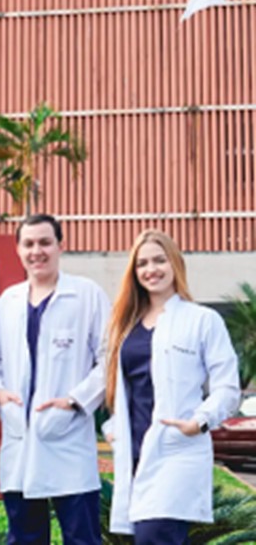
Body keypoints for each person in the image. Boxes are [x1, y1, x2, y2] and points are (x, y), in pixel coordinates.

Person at [105, 230, 239, 543]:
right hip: (134, 449)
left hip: (176, 447)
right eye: (142, 264)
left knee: (156, 536)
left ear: (175, 263)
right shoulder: (125, 326)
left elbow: (227, 387)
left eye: (159, 260)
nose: (151, 269)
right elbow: (120, 387)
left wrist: (200, 421)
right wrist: (113, 427)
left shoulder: (202, 320)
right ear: (134, 272)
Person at [0, 214, 110, 544]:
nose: (36, 251)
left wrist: (74, 401)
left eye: (45, 242)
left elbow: (109, 359)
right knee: (24, 536)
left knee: (81, 537)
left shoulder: (86, 295)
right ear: (18, 249)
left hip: (67, 438)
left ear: (61, 246)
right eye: (28, 243)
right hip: (19, 437)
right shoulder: (8, 302)